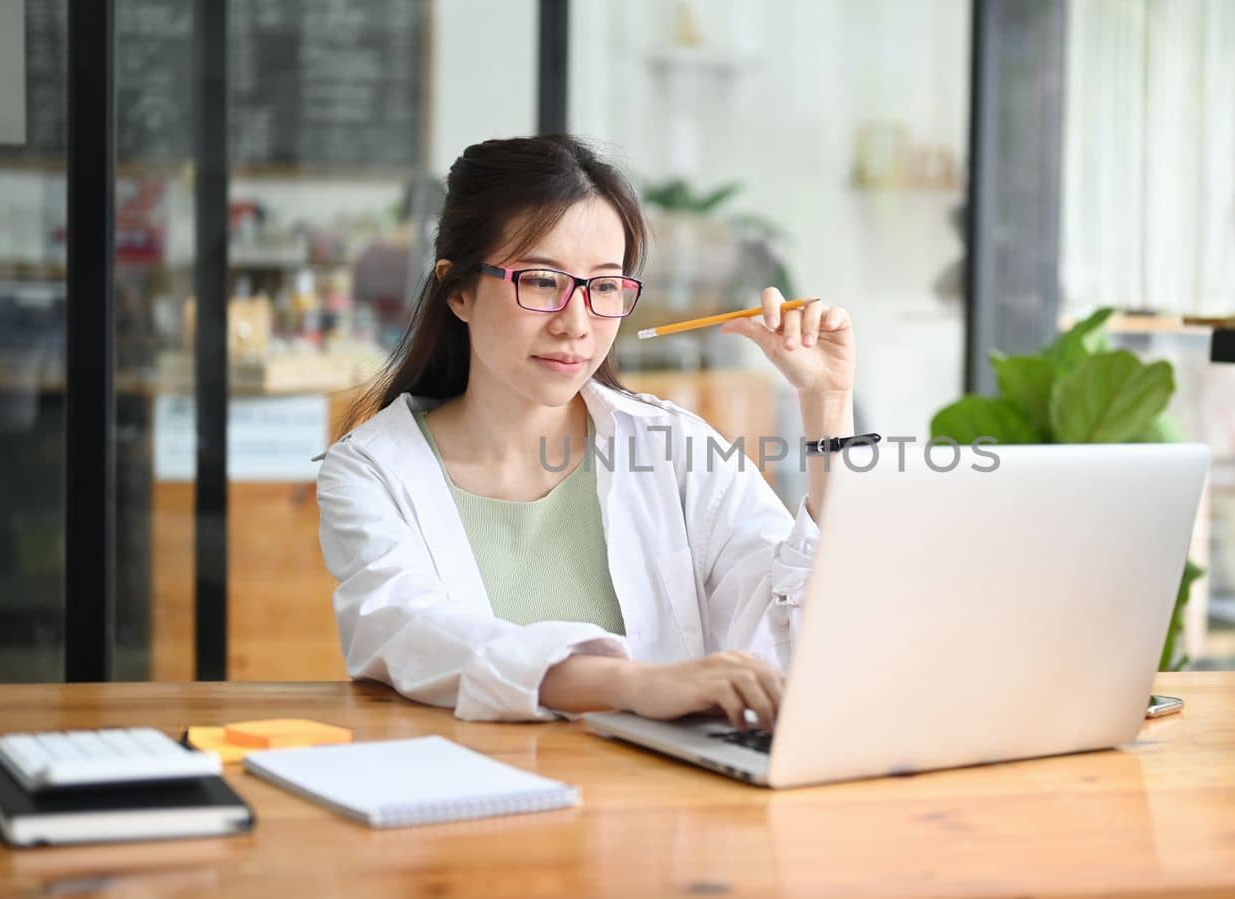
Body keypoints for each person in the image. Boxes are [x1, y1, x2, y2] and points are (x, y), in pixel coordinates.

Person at [317, 135, 857, 729]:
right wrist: (634, 684)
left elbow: (800, 638)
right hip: (473, 803)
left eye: (604, 287)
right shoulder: (372, 471)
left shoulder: (675, 450)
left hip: (661, 811)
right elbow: (408, 634)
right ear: (459, 289)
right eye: (542, 281)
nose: (576, 325)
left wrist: (826, 405)